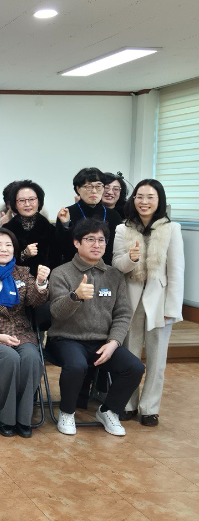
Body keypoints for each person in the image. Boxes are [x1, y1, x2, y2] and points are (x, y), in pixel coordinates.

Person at [46, 219, 144, 436]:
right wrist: (75, 296)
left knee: (134, 367)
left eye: (101, 240)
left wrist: (114, 342)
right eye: (90, 239)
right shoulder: (61, 273)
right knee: (76, 365)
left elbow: (123, 313)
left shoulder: (114, 275)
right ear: (76, 243)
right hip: (66, 339)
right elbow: (57, 312)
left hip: (102, 342)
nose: (97, 245)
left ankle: (109, 410)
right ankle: (67, 412)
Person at [113, 179, 184, 427]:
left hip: (160, 303)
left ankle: (150, 408)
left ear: (159, 200)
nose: (144, 202)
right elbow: (116, 265)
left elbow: (176, 271)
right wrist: (130, 259)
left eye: (150, 197)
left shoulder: (172, 229)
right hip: (130, 302)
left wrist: (172, 308)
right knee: (130, 357)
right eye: (140, 197)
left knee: (157, 359)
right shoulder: (122, 229)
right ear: (133, 200)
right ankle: (128, 404)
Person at [0, 228, 50, 438]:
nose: (4, 249)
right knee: (10, 358)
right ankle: (7, 417)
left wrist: (40, 283)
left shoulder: (22, 272)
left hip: (20, 333)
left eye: (8, 245)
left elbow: (35, 301)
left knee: (32, 358)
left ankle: (23, 418)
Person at [55, 167, 122, 266]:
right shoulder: (67, 213)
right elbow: (61, 248)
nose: (94, 191)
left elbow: (116, 250)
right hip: (74, 268)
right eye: (89, 186)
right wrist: (66, 224)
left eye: (98, 186)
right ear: (78, 189)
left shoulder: (114, 216)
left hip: (105, 268)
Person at [4, 180, 57, 275]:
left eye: (32, 199)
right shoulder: (7, 230)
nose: (27, 204)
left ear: (39, 202)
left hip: (45, 280)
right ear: (15, 204)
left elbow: (57, 260)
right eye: (22, 200)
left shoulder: (51, 230)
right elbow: (2, 260)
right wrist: (24, 254)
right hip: (14, 279)